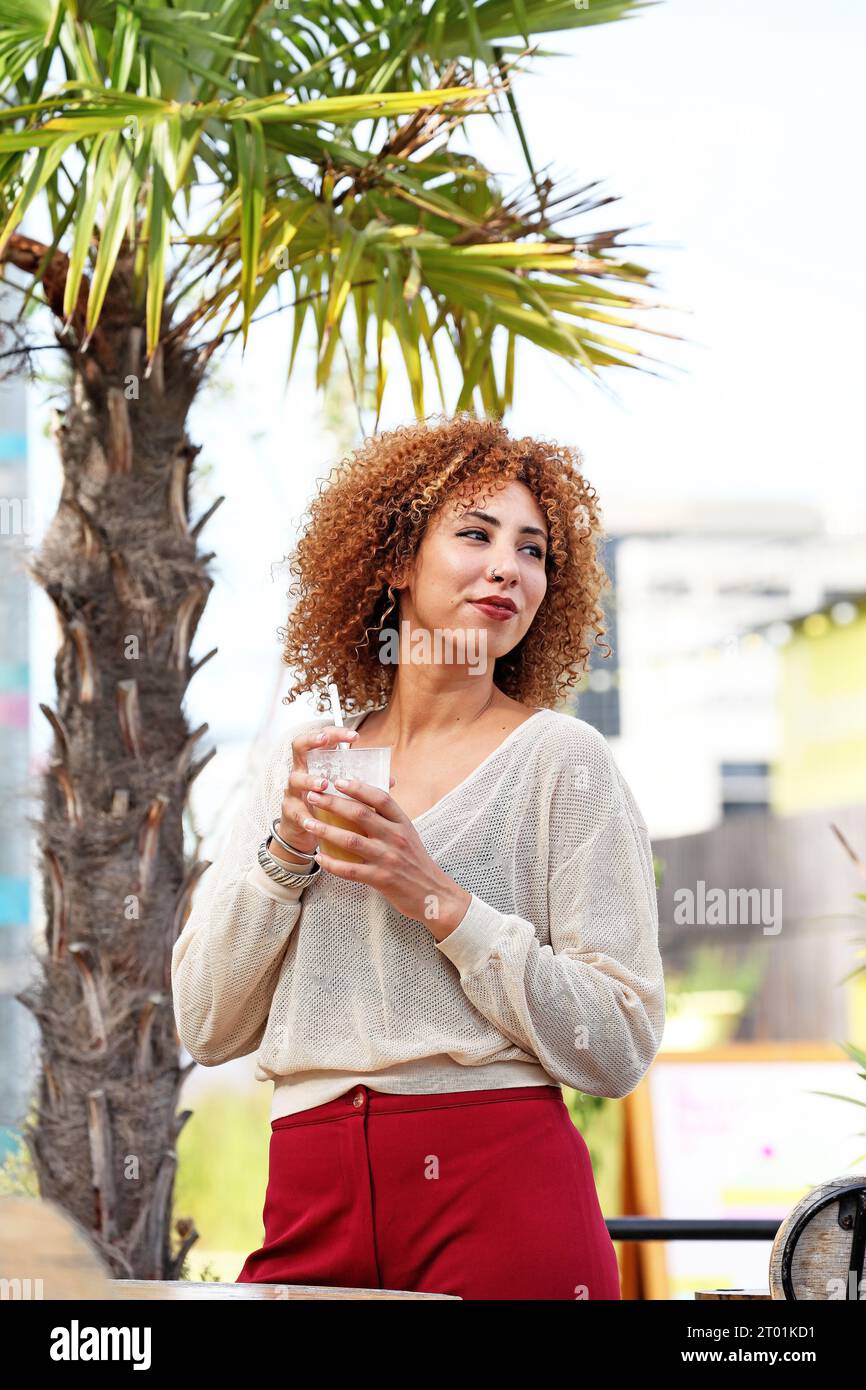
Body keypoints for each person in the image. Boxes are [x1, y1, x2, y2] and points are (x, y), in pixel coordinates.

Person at [171, 413, 665, 1300]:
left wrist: (439, 899)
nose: (508, 568)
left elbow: (620, 1038)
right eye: (475, 534)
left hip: (503, 1188)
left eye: (534, 550)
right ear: (396, 561)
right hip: (308, 1194)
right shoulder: (302, 760)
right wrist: (285, 853)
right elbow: (207, 1024)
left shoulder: (563, 761)